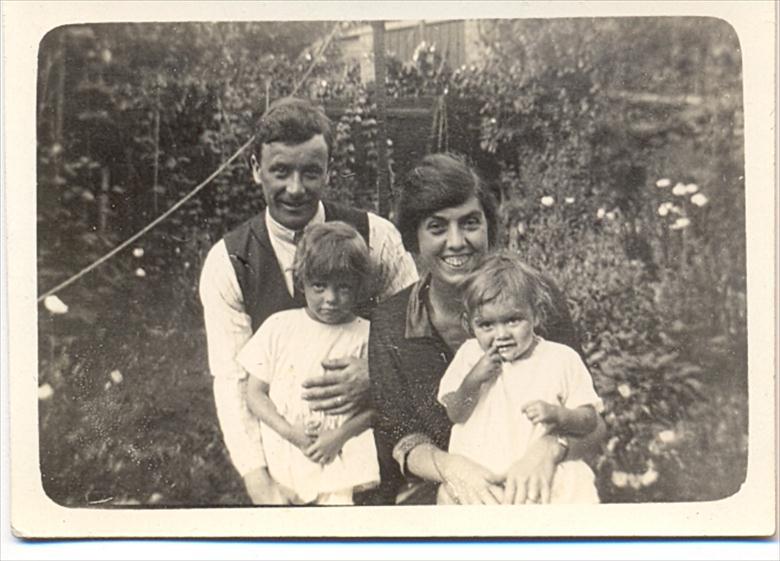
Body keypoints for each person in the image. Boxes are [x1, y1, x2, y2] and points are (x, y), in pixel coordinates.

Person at [199, 97, 417, 504]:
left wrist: (377, 371)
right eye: (280, 171)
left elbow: (417, 336)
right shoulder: (228, 262)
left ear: (328, 172)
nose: (295, 189)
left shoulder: (376, 237)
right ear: (255, 169)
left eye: (310, 172)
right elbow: (233, 382)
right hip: (286, 470)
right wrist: (258, 480)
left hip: (375, 463)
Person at [369, 152, 607, 505]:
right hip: (442, 490)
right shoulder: (392, 322)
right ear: (413, 237)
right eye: (437, 227)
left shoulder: (536, 300)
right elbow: (399, 437)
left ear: (488, 227)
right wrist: (451, 468)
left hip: (538, 485)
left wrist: (550, 449)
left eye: (470, 223)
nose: (456, 241)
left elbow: (595, 424)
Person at [437, 251, 602, 504]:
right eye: (486, 325)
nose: (500, 334)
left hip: (543, 482)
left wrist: (558, 414)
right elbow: (455, 414)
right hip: (482, 485)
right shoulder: (469, 356)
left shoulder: (560, 359)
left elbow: (589, 419)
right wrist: (473, 379)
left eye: (513, 320)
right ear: (470, 324)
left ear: (535, 315)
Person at [237, 222, 379, 505]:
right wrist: (291, 433)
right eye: (319, 286)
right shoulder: (279, 327)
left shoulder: (367, 334)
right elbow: (254, 394)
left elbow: (380, 405)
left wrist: (340, 435)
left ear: (359, 287)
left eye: (343, 288)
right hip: (287, 447)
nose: (330, 299)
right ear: (302, 282)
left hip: (343, 454)